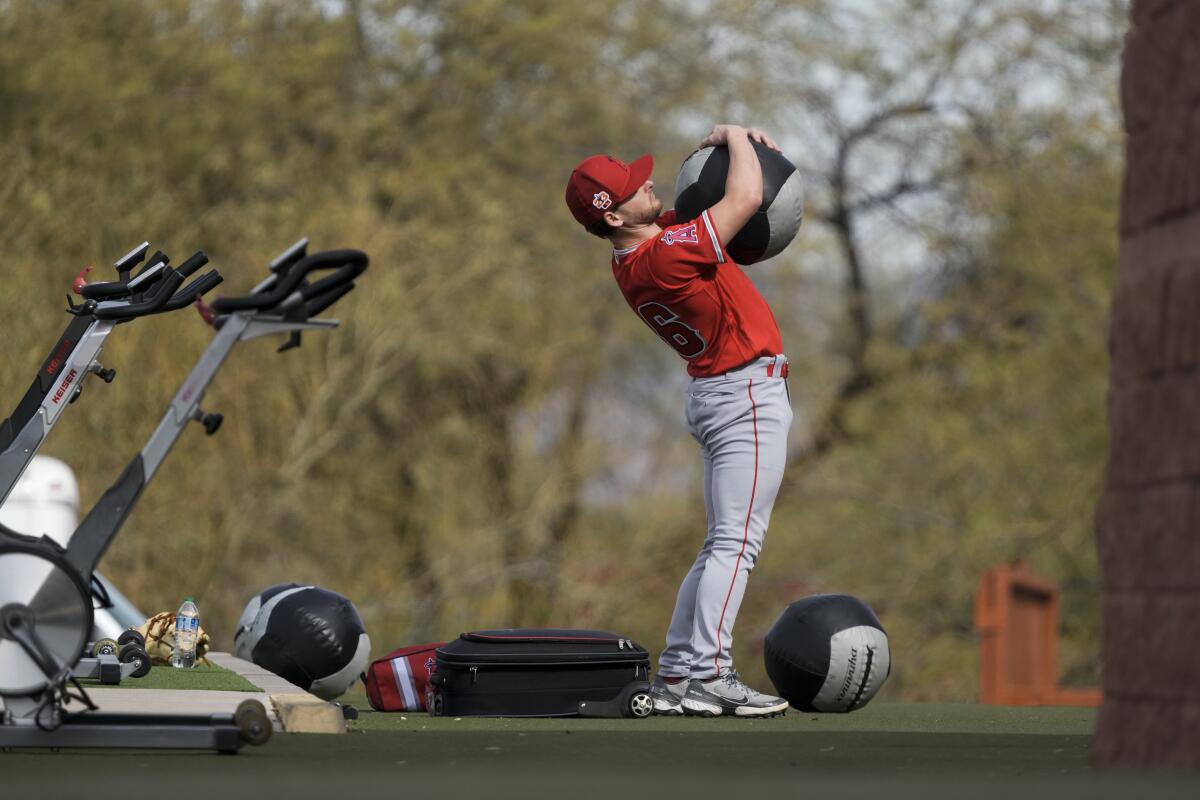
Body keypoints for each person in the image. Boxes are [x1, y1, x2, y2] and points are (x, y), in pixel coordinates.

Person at [564, 124, 793, 717]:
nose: (648, 186)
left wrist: (739, 149)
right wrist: (737, 134)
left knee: (720, 544)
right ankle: (710, 674)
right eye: (634, 189)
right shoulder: (663, 255)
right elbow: (742, 200)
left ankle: (678, 672)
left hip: (720, 393)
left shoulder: (637, 253)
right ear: (614, 217)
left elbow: (713, 207)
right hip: (744, 394)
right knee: (736, 546)